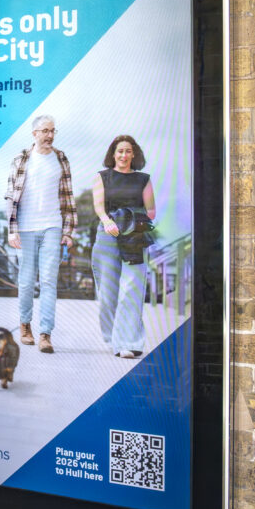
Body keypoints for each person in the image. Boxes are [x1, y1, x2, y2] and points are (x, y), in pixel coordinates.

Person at [4, 114, 77, 354]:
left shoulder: (61, 158)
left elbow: (68, 196)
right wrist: (12, 229)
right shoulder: (21, 159)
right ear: (34, 133)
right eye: (45, 131)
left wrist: (68, 230)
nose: (50, 135)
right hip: (25, 227)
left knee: (48, 281)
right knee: (26, 282)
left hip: (52, 226)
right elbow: (10, 197)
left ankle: (46, 334)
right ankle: (25, 326)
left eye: (53, 130)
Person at [90, 134, 156, 359]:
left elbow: (151, 211)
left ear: (134, 154)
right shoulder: (102, 177)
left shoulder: (143, 179)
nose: (124, 155)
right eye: (120, 151)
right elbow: (99, 207)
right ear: (113, 154)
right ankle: (112, 338)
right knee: (108, 291)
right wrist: (108, 221)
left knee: (132, 289)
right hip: (109, 235)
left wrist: (136, 223)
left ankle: (128, 342)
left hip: (135, 236)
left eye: (128, 151)